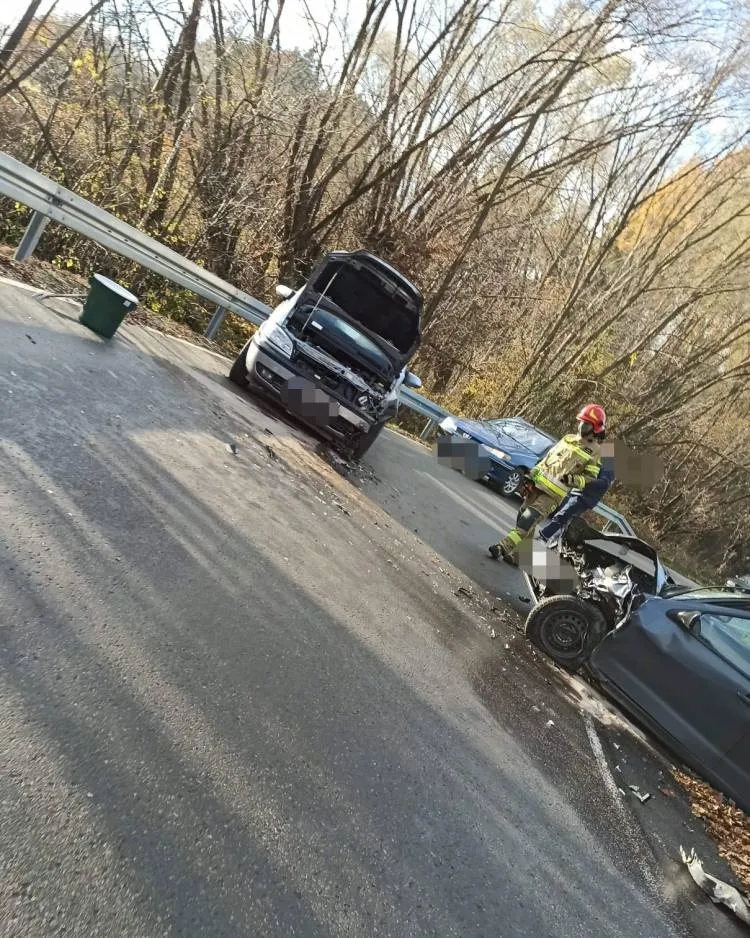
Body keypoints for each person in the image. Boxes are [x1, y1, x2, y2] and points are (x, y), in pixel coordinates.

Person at [488, 403, 606, 565]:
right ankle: (520, 556)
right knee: (523, 514)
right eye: (581, 422)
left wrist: (574, 481)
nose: (581, 426)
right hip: (537, 485)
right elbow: (547, 460)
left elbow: (590, 477)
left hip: (553, 495)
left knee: (528, 520)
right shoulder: (568, 439)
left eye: (586, 424)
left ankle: (502, 547)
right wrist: (529, 478)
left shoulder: (595, 451)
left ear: (594, 428)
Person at [536, 443, 615, 545]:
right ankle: (556, 541)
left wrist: (587, 481)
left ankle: (544, 536)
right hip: (579, 493)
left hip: (585, 497)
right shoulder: (600, 462)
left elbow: (604, 483)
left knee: (562, 515)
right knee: (566, 518)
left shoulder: (608, 467)